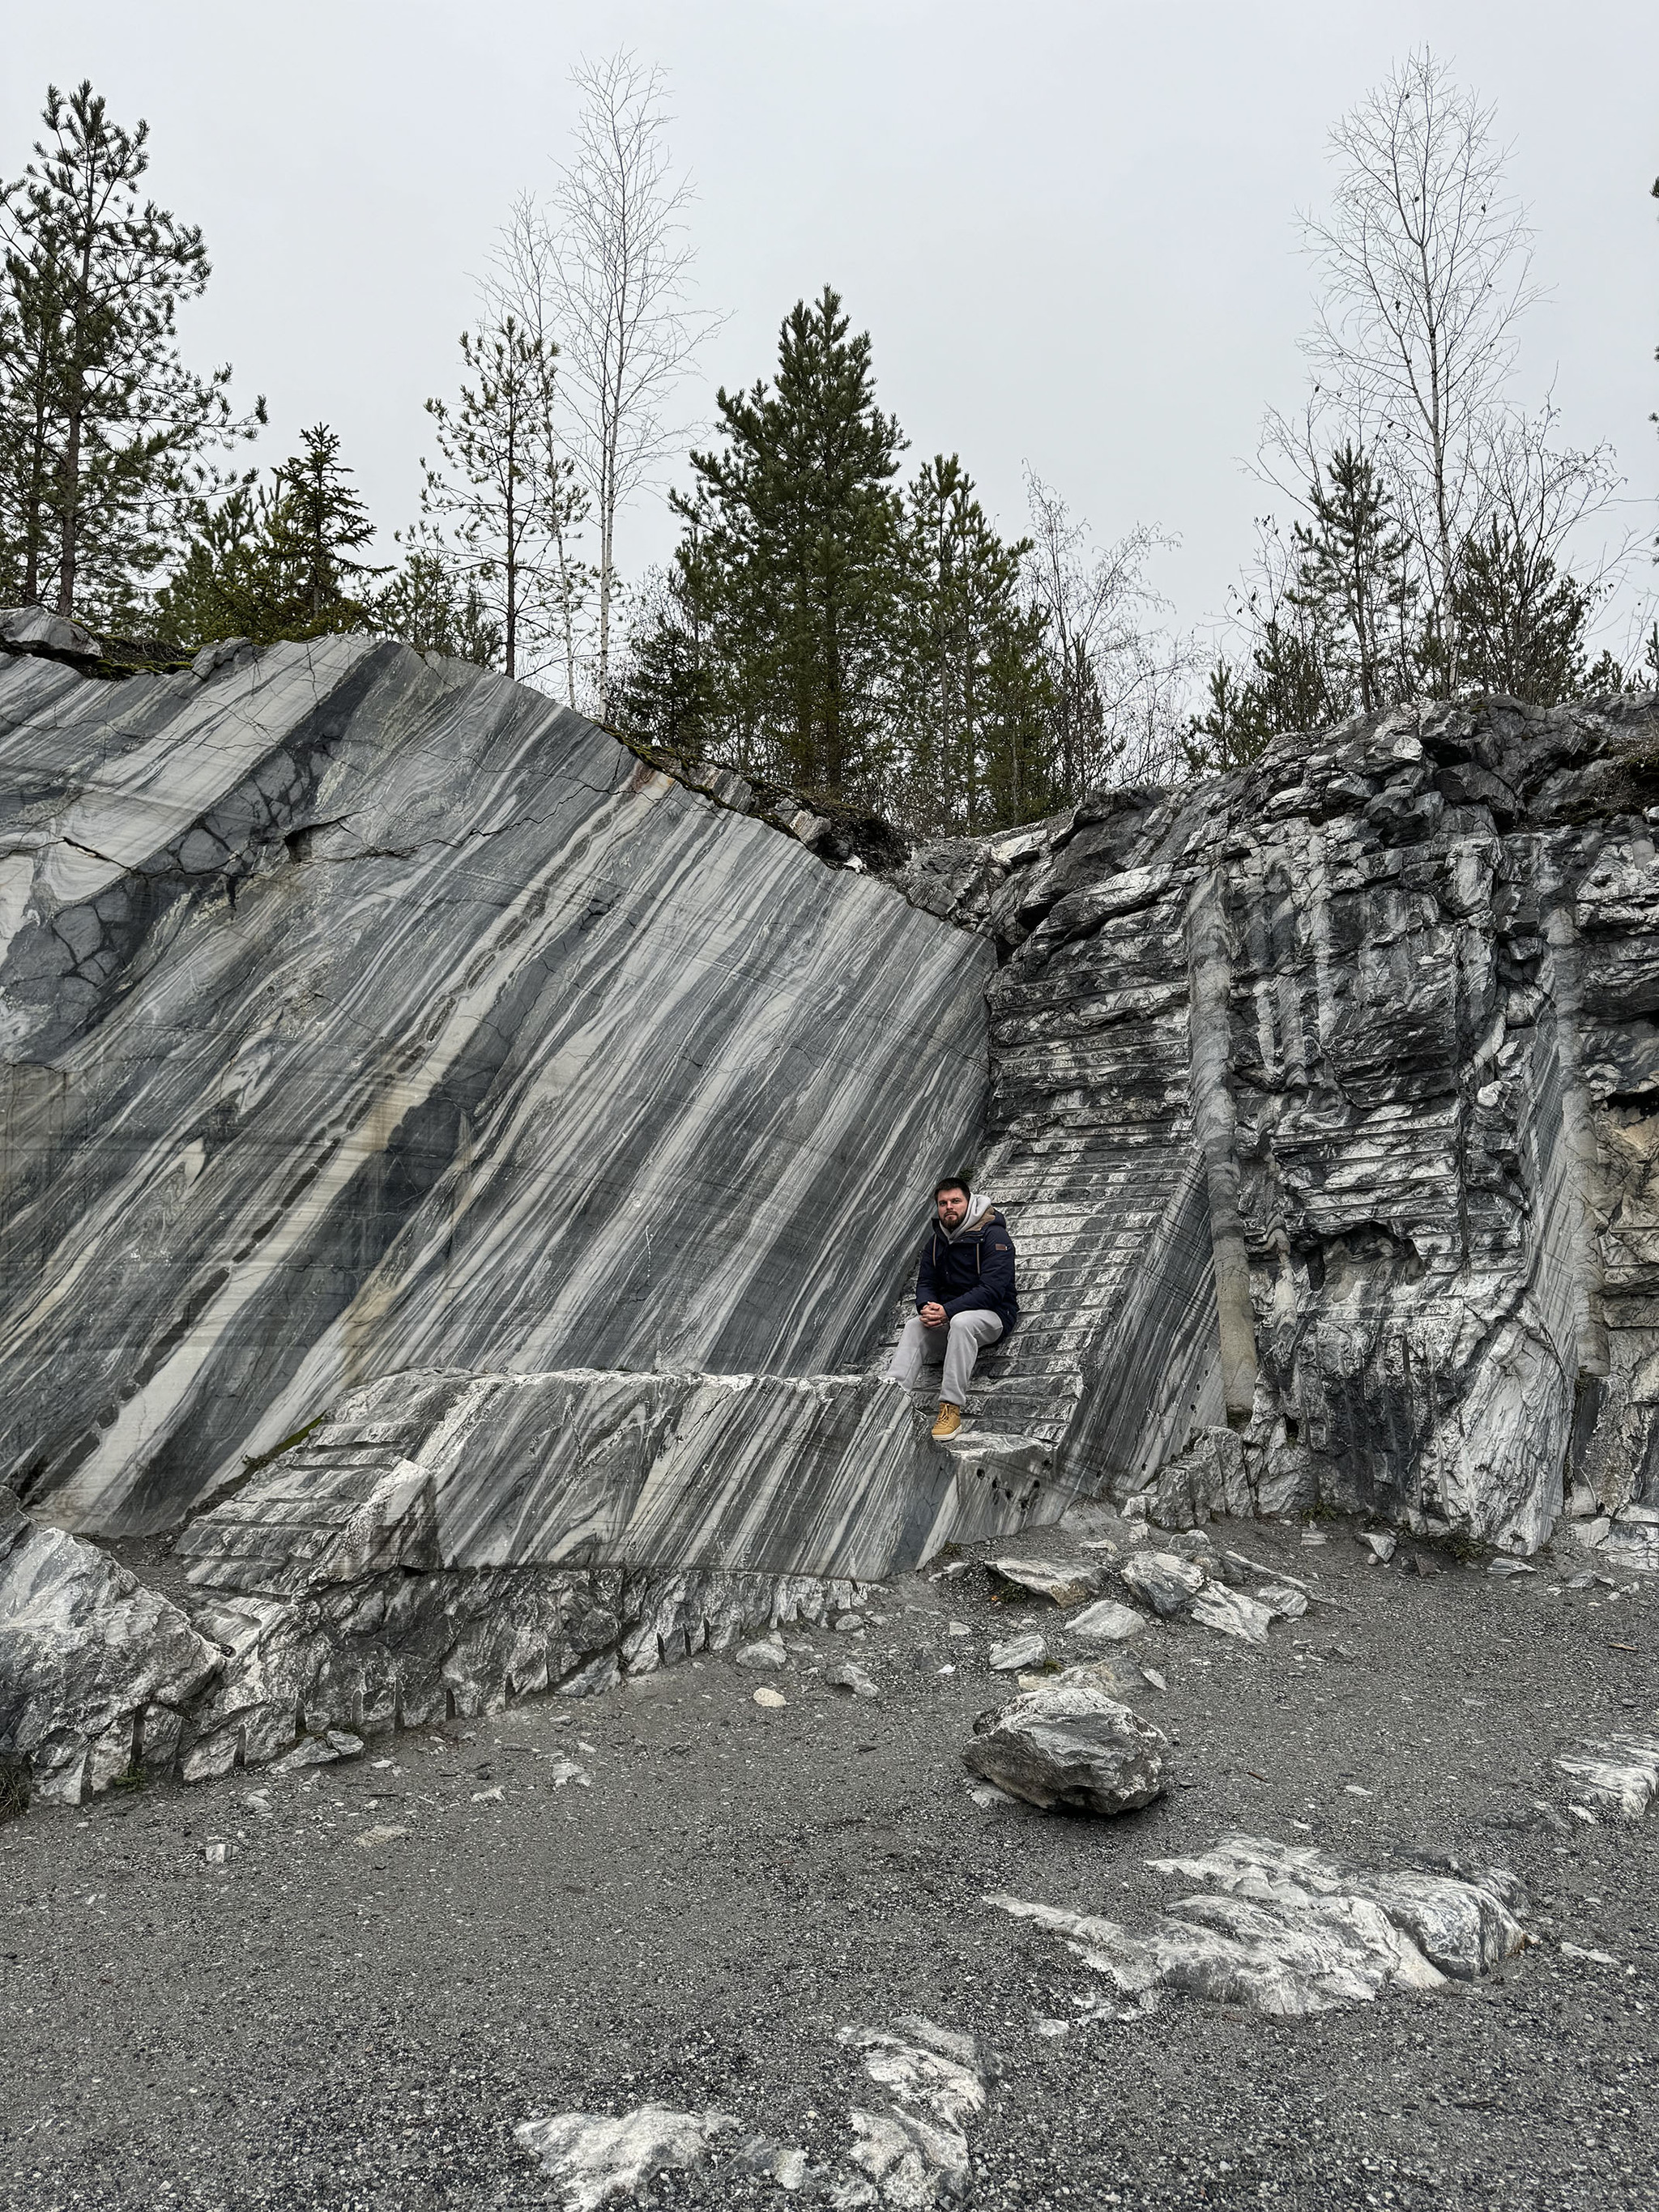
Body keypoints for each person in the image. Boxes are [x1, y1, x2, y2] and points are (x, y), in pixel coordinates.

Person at [888, 1175, 1018, 1439]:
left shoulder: (994, 1236)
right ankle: (890, 1399)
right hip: (950, 1313)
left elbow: (992, 1291)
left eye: (955, 1201)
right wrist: (927, 1307)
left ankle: (951, 1409)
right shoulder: (936, 1241)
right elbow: (926, 1282)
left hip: (994, 1314)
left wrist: (948, 1311)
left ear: (968, 1203)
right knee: (915, 1326)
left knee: (962, 1323)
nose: (949, 1207)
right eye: (943, 1203)